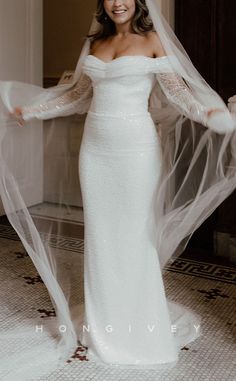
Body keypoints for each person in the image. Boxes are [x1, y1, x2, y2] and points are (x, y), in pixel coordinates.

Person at [1, 0, 236, 379]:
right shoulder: (94, 44)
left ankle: (138, 322)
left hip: (136, 151)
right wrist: (32, 111)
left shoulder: (154, 39)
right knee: (102, 235)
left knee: (132, 235)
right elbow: (76, 96)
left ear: (139, 2)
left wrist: (209, 113)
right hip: (95, 152)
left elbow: (179, 94)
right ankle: (102, 320)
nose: (118, 2)